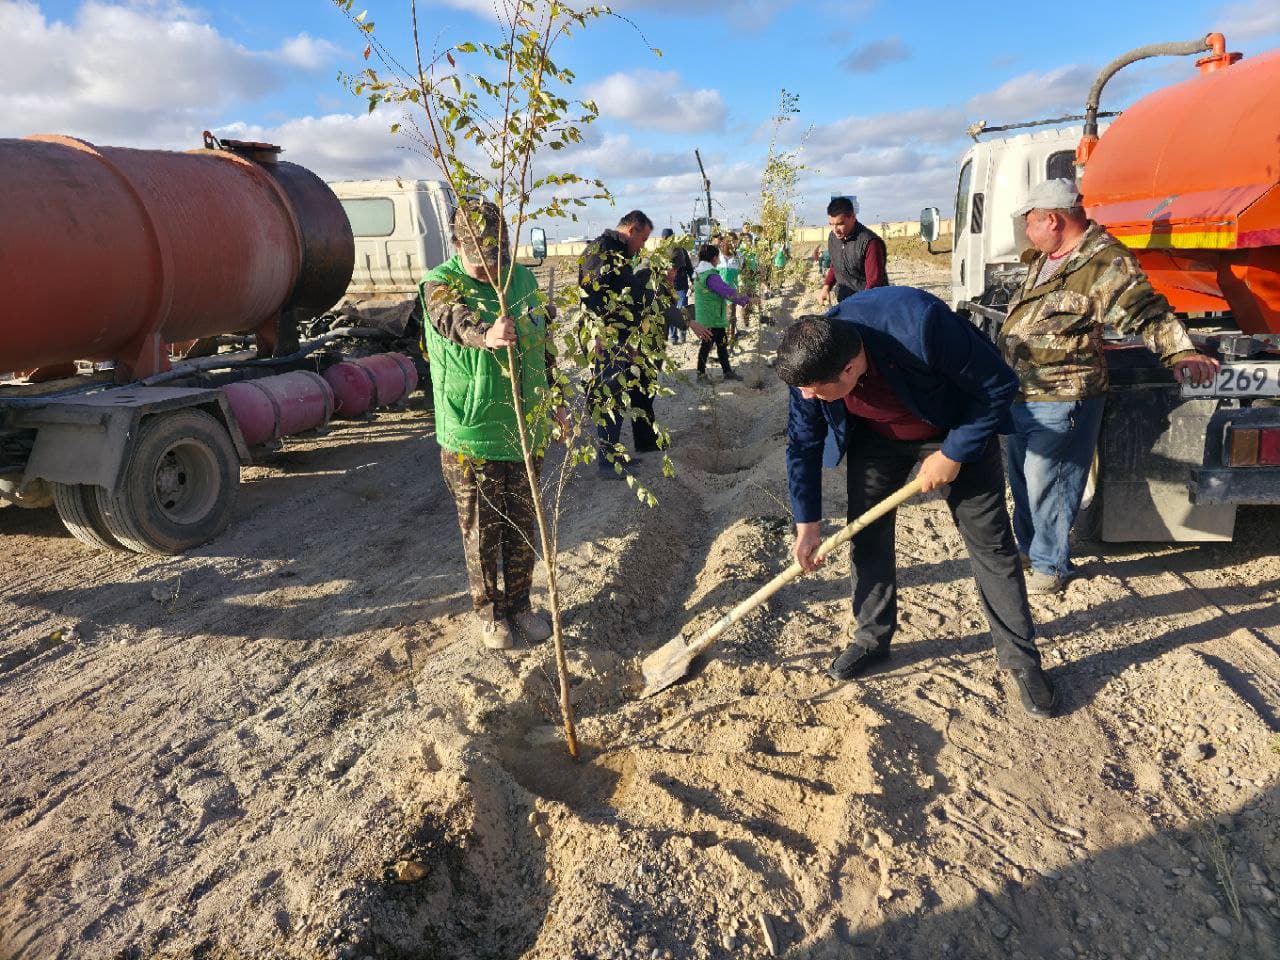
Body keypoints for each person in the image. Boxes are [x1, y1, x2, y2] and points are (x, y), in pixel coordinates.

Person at [777, 287, 1057, 718]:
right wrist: (807, 523)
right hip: (876, 439)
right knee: (867, 535)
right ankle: (871, 639)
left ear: (849, 368)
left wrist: (953, 453)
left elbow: (999, 385)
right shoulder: (811, 362)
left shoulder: (921, 325)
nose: (808, 397)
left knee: (991, 543)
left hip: (954, 427)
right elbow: (802, 443)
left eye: (816, 391)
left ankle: (1021, 659)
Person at [999, 179, 1220, 593]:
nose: (1026, 231)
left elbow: (1146, 310)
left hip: (1064, 395)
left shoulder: (1104, 262)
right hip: (1023, 393)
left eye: (1030, 222)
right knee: (1024, 480)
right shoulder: (1046, 258)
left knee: (1052, 481)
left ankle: (1049, 566)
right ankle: (1028, 548)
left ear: (1052, 219)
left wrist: (1180, 353)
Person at [419, 199, 556, 651]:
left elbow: (541, 344)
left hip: (524, 428)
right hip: (472, 433)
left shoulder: (523, 280)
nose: (492, 269)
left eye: (498, 257)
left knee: (522, 527)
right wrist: (487, 335)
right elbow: (453, 321)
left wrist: (554, 397)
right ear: (457, 245)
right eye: (482, 261)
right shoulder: (439, 285)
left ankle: (521, 606)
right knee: (482, 533)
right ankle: (491, 614)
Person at [579, 210, 663, 478]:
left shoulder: (618, 253)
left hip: (619, 338)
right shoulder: (602, 250)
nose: (642, 246)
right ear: (632, 230)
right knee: (609, 397)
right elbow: (590, 292)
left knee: (616, 396)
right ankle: (608, 464)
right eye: (643, 239)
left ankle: (613, 457)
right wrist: (599, 332)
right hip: (605, 340)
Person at [694, 243, 751, 383]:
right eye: (718, 257)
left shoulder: (701, 272)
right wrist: (746, 299)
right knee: (706, 346)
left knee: (721, 344)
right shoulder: (710, 276)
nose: (719, 259)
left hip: (712, 316)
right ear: (714, 258)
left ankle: (727, 372)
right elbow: (727, 292)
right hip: (711, 317)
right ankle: (700, 375)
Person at [823, 197, 887, 304]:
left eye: (840, 224)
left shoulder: (869, 243)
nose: (835, 230)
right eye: (831, 224)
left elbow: (874, 284)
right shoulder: (833, 238)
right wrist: (827, 286)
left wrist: (859, 306)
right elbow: (836, 264)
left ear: (853, 217)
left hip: (867, 302)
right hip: (844, 300)